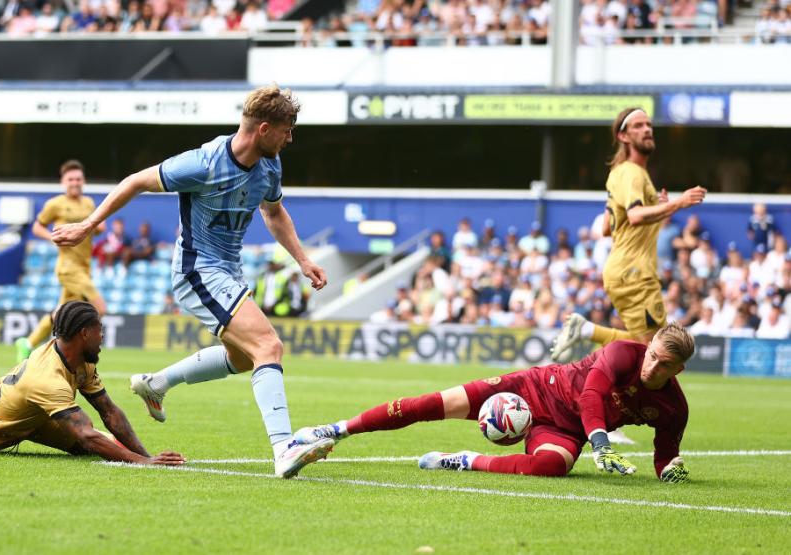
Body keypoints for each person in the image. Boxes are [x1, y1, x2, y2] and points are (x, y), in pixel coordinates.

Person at [51, 84, 333, 478]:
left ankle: (156, 383)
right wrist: (87, 225)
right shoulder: (203, 163)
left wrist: (302, 259)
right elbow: (135, 181)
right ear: (264, 128)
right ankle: (284, 447)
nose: (291, 138)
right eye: (287, 129)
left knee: (243, 357)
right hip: (197, 269)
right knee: (269, 345)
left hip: (227, 270)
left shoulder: (269, 166)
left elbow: (274, 212)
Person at [295, 323, 694, 483]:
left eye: (663, 363)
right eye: (653, 352)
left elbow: (665, 456)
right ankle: (335, 430)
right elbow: (591, 394)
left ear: (677, 370)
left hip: (564, 429)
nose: (651, 363)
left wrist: (671, 470)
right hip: (532, 389)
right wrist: (602, 444)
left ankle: (464, 460)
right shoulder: (624, 352)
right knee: (429, 405)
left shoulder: (675, 409)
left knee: (551, 466)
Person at [0, 301, 185, 466]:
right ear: (84, 333)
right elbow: (87, 433)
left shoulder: (82, 360)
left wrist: (145, 455)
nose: (103, 336)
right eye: (100, 330)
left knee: (89, 447)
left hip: (32, 414)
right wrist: (145, 463)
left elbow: (109, 411)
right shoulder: (47, 379)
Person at [551, 108, 706, 359]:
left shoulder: (622, 173)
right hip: (635, 272)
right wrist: (679, 203)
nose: (647, 129)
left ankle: (587, 330)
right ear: (623, 136)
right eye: (638, 126)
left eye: (648, 125)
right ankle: (588, 341)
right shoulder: (632, 173)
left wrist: (656, 207)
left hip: (624, 270)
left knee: (645, 345)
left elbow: (606, 228)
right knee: (656, 349)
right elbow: (634, 216)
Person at [15, 160, 107, 363]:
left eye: (78, 179)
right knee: (99, 308)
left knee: (60, 312)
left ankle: (28, 343)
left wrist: (97, 226)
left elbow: (100, 227)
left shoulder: (89, 203)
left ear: (83, 181)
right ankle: (79, 353)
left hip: (84, 267)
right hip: (68, 268)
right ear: (63, 182)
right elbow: (37, 227)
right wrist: (53, 238)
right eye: (70, 179)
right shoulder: (55, 204)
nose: (75, 182)